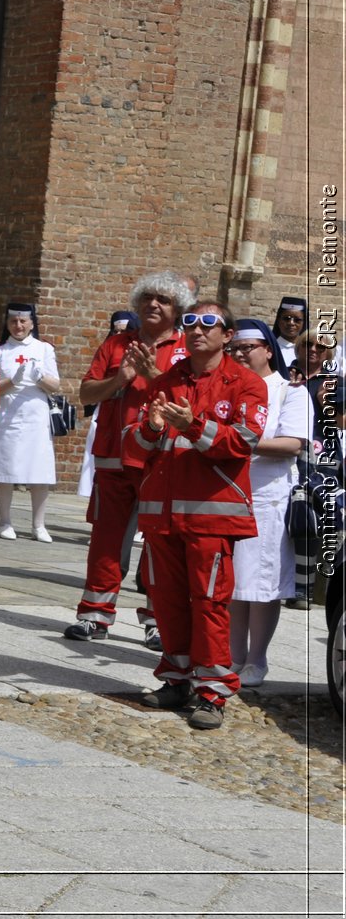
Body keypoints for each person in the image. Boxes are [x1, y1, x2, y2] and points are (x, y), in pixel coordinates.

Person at [127, 302, 266, 730]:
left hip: (211, 517)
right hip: (163, 516)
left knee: (209, 605)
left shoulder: (245, 384)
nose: (196, 330)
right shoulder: (167, 380)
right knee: (166, 603)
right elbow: (137, 445)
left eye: (208, 324)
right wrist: (150, 427)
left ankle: (212, 692)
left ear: (227, 335)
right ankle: (176, 679)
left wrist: (192, 425)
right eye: (190, 323)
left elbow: (241, 443)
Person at [64, 271, 192, 645]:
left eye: (163, 300)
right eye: (148, 298)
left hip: (162, 461)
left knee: (160, 545)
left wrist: (154, 376)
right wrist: (119, 379)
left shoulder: (187, 350)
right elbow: (87, 393)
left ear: (177, 309)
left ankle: (158, 621)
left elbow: (190, 401)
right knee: (106, 539)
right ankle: (94, 614)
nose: (154, 304)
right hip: (114, 458)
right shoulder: (116, 344)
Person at [224, 318, 311, 686]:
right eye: (236, 348)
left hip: (267, 495)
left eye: (250, 347)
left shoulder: (289, 391)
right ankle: (232, 657)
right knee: (232, 584)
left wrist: (235, 443)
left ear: (267, 350)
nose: (242, 353)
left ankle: (257, 659)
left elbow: (292, 444)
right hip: (227, 492)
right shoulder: (228, 388)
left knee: (261, 585)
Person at [0, 302, 62, 541]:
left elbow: (55, 385)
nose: (18, 326)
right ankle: (4, 521)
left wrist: (39, 377)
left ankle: (38, 525)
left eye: (23, 321)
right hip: (8, 415)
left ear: (31, 323)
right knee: (5, 469)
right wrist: (13, 381)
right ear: (7, 323)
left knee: (39, 471)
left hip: (35, 414)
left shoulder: (44, 349)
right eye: (13, 321)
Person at [290, 327, 342, 607]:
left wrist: (324, 401)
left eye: (320, 347)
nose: (313, 350)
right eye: (307, 344)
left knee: (306, 517)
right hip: (285, 451)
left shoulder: (335, 382)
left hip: (321, 457)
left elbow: (343, 423)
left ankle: (303, 588)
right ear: (298, 346)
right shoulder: (283, 375)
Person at [78, 310, 139, 498]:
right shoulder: (110, 348)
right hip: (107, 414)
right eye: (115, 331)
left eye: (124, 331)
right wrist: (116, 380)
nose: (119, 335)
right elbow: (88, 390)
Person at [271, 296, 307, 371]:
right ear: (278, 320)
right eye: (286, 318)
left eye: (297, 320)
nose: (291, 323)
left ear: (303, 323)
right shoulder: (270, 349)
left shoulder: (308, 350)